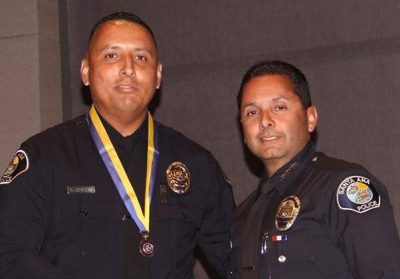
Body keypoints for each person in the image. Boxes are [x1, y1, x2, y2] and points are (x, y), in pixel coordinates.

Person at [0, 11, 234, 279]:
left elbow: (239, 261)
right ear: (86, 71)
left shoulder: (196, 164)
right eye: (111, 55)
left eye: (141, 57)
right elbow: (10, 255)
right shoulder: (43, 157)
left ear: (157, 76)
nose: (128, 68)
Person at [230, 60, 400, 278]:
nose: (265, 121)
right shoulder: (243, 215)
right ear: (243, 131)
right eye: (252, 112)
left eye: (279, 107)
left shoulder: (343, 187)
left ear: (310, 118)